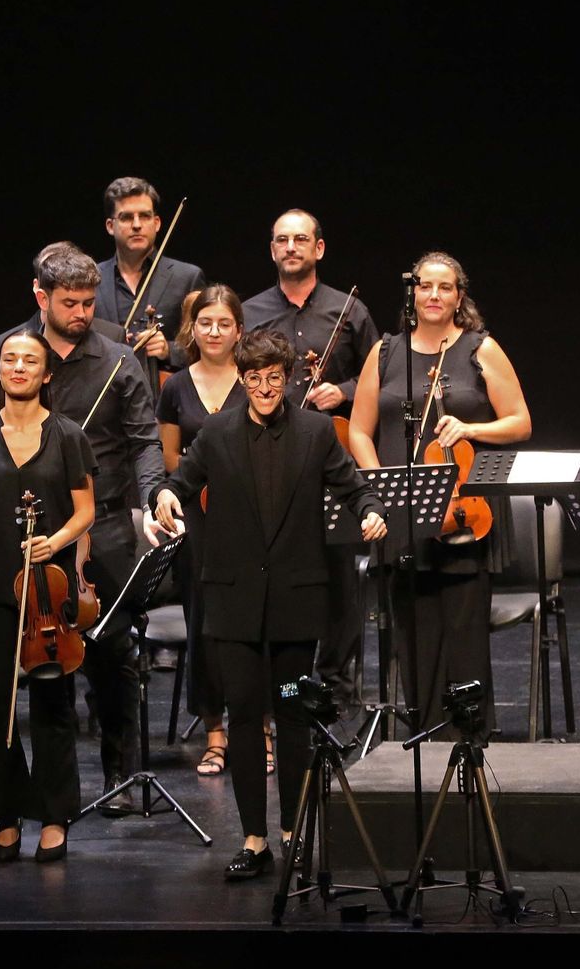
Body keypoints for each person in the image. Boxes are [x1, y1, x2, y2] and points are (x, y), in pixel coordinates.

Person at [149, 329, 386, 879]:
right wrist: (162, 495)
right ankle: (255, 839)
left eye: (273, 378)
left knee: (293, 717)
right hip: (232, 607)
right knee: (245, 717)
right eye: (253, 378)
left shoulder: (316, 431)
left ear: (287, 377)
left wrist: (372, 508)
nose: (262, 387)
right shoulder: (215, 432)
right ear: (242, 377)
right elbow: (180, 483)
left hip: (293, 607)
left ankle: (293, 833)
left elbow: (354, 487)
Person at [0, 241, 163, 814]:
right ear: (42, 297)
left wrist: (156, 495)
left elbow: (145, 440)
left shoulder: (117, 360)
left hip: (100, 522)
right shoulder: (13, 353)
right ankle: (25, 790)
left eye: (89, 302)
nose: (82, 313)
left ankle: (120, 772)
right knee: (30, 657)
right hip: (26, 526)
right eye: (70, 303)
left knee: (111, 651)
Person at [349, 252, 531, 735]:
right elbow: (359, 432)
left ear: (459, 297)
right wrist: (377, 487)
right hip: (400, 513)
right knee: (413, 635)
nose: (433, 295)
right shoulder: (386, 352)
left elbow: (520, 422)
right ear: (412, 293)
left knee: (464, 633)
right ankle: (425, 731)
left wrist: (471, 427)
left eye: (444, 288)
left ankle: (469, 736)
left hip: (465, 514)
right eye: (424, 286)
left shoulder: (480, 349)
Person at [0, 330, 95, 862]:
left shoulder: (69, 435)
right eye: (9, 359)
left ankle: (55, 816)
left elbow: (85, 511)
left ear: (46, 374)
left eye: (30, 360)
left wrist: (54, 541)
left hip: (47, 590)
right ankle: (7, 813)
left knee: (53, 705)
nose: (18, 367)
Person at [244, 209, 380, 718]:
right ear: (272, 249)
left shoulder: (351, 310)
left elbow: (377, 380)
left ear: (319, 248)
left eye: (301, 239)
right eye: (282, 239)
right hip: (272, 460)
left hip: (332, 455)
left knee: (340, 572)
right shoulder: (252, 310)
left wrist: (340, 390)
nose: (291, 247)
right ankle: (287, 682)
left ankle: (336, 684)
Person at [155, 286, 262, 777]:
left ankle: (259, 730)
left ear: (239, 329)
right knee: (204, 629)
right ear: (191, 329)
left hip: (256, 517)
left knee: (256, 627)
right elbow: (173, 459)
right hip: (199, 520)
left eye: (224, 323)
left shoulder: (256, 380)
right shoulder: (175, 386)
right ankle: (215, 735)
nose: (214, 332)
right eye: (205, 323)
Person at [95, 177, 208, 392]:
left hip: (167, 402)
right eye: (127, 217)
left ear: (156, 223)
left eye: (144, 216)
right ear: (111, 226)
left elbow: (211, 342)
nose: (137, 225)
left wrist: (170, 350)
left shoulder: (188, 277)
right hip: (107, 400)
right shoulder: (92, 280)